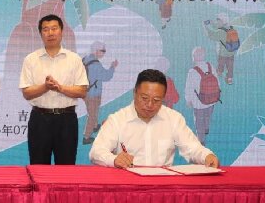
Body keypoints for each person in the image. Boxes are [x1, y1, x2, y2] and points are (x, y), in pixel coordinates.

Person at [89, 69, 219, 169]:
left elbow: (192, 148)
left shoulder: (173, 119)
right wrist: (114, 160)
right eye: (144, 98)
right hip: (128, 184)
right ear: (134, 93)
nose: (150, 105)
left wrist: (207, 156)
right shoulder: (117, 120)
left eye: (156, 100)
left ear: (163, 97)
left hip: (163, 186)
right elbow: (96, 151)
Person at [19, 14, 88, 164]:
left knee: (66, 167)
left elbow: (82, 91)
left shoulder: (74, 59)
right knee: (38, 166)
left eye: (54, 28)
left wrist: (60, 88)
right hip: (40, 119)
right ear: (40, 33)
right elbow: (27, 93)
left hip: (66, 120)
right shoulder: (31, 59)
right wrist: (45, 87)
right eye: (45, 29)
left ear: (61, 31)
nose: (50, 33)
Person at [82, 41, 118, 145]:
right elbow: (106, 76)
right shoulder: (96, 65)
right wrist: (112, 67)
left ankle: (94, 126)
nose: (104, 53)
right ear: (96, 51)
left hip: (85, 92)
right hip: (94, 93)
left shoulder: (85, 59)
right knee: (92, 114)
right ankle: (87, 137)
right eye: (103, 50)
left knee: (92, 111)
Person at [185, 46, 220, 144]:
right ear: (204, 56)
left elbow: (189, 88)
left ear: (194, 57)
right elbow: (217, 82)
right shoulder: (210, 66)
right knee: (208, 116)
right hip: (212, 100)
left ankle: (201, 140)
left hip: (198, 103)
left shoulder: (192, 71)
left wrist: (188, 100)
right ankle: (206, 128)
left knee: (199, 121)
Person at [203, 13, 238, 85]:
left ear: (222, 21)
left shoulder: (221, 32)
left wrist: (205, 27)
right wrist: (211, 22)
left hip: (223, 53)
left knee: (221, 64)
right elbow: (218, 27)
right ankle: (229, 78)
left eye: (218, 20)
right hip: (231, 52)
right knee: (230, 66)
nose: (217, 22)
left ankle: (219, 73)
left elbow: (211, 35)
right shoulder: (231, 28)